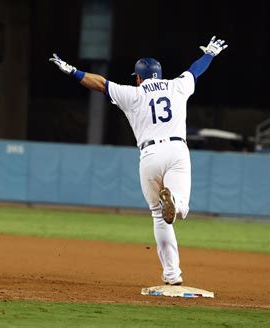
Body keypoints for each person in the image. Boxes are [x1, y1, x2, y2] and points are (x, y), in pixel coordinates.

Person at [50, 36, 228, 285]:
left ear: (138, 77)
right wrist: (210, 54)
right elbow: (195, 70)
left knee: (158, 216)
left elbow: (100, 83)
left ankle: (172, 275)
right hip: (177, 149)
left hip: (150, 155)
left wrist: (72, 71)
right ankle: (174, 202)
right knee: (181, 208)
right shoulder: (178, 86)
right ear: (160, 74)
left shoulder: (132, 94)